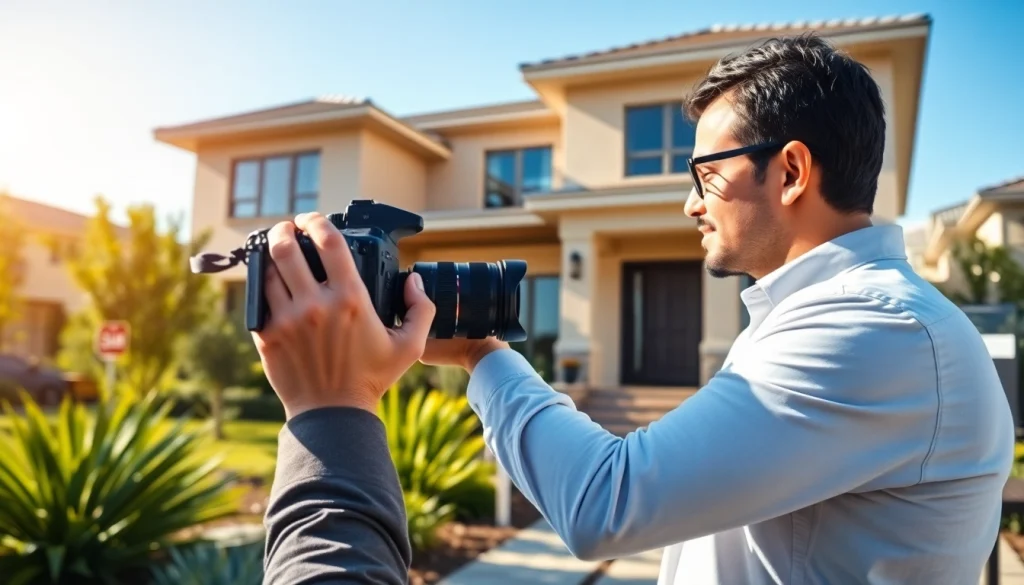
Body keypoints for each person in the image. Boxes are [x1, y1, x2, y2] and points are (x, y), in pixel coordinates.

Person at [256, 34, 1015, 585]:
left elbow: (606, 501)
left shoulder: (876, 331)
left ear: (789, 171)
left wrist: (482, 356)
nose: (688, 202)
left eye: (704, 173)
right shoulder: (824, 319)